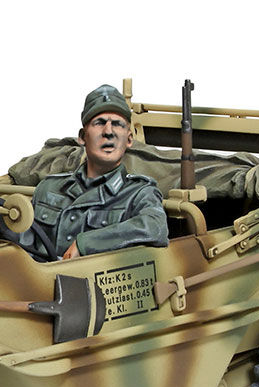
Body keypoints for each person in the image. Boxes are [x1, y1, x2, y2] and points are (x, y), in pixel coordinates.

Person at [20, 84, 168, 260]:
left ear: (129, 139)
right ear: (83, 137)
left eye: (117, 124)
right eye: (99, 123)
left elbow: (155, 227)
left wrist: (85, 243)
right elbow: (22, 246)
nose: (108, 132)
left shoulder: (139, 193)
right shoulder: (49, 187)